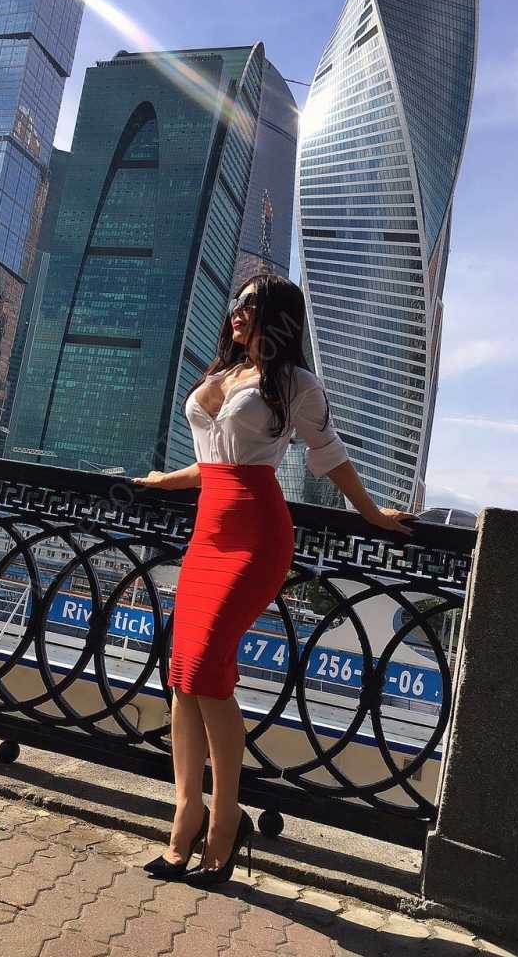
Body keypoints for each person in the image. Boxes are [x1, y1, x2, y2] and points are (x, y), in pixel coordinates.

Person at [131, 274, 417, 887]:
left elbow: (328, 454)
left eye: (251, 306)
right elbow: (210, 464)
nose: (237, 313)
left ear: (279, 317)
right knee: (182, 676)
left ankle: (225, 821)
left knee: (206, 672)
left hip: (256, 538)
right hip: (207, 534)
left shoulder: (295, 385)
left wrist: (372, 514)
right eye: (237, 303)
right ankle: (184, 817)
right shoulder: (223, 374)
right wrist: (163, 482)